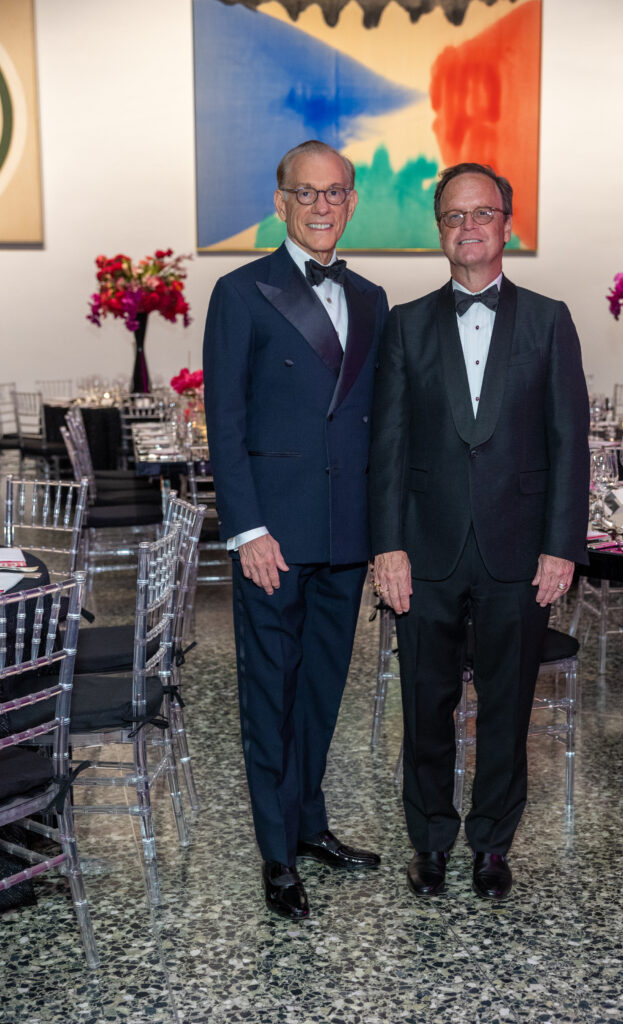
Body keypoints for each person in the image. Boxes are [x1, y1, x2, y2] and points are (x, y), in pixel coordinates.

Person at [369, 162, 589, 901]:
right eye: (454, 216)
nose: (469, 227)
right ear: (440, 231)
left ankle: (492, 845)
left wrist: (561, 545)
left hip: (520, 552)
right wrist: (386, 545)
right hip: (423, 551)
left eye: (482, 214)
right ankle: (430, 839)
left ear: (506, 224)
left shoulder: (550, 319)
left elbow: (568, 440)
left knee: (506, 707)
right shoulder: (403, 325)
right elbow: (388, 447)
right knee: (424, 705)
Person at [203, 140, 388, 921]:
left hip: (344, 535)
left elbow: (376, 427)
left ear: (350, 202)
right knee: (268, 699)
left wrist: (384, 535)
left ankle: (309, 826)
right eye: (305, 194)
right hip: (274, 537)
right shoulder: (241, 292)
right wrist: (247, 531)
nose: (320, 206)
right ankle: (276, 855)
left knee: (319, 693)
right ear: (281, 201)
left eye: (334, 193)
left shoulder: (373, 298)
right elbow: (226, 420)